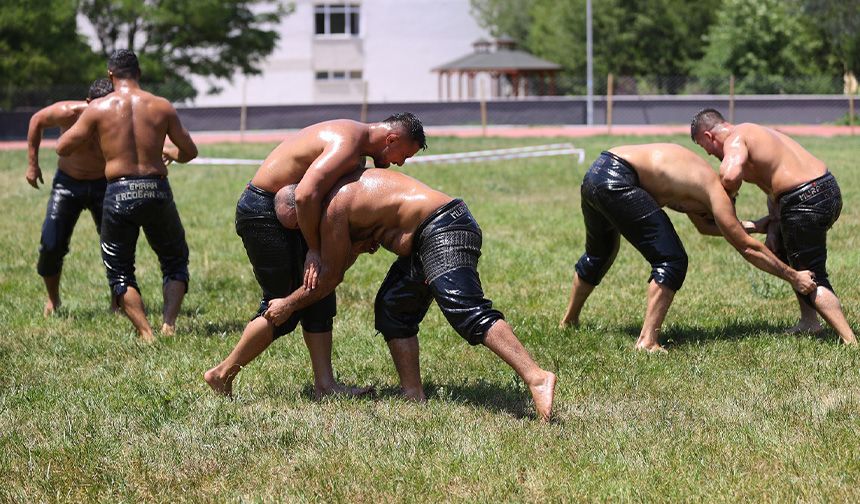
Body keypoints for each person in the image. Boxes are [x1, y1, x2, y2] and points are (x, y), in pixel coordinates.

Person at [251, 169, 557, 421]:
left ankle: (536, 377)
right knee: (393, 308)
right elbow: (342, 260)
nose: (304, 233)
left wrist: (289, 304)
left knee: (465, 309)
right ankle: (413, 394)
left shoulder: (333, 206)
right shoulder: (336, 197)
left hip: (443, 227)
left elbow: (331, 277)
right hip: (428, 235)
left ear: (306, 204)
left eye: (300, 226)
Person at [204, 114, 426, 400]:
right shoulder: (347, 143)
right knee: (281, 305)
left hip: (291, 216)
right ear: (392, 139)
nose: (400, 163)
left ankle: (325, 385)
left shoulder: (357, 150)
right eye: (403, 155)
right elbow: (305, 196)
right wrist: (314, 249)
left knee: (318, 294)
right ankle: (221, 374)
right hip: (263, 212)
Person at [559, 143, 816, 352]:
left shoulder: (695, 182)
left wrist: (755, 225)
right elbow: (747, 248)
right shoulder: (718, 192)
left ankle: (568, 321)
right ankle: (647, 341)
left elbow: (706, 227)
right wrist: (794, 276)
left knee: (599, 252)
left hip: (597, 172)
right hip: (621, 179)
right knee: (671, 259)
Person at [56, 49, 198, 342]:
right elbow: (190, 152)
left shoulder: (98, 108)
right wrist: (169, 152)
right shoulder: (161, 106)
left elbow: (63, 146)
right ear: (139, 74)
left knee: (120, 269)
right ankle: (169, 324)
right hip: (157, 189)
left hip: (119, 191)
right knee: (174, 260)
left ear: (111, 75)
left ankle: (145, 333)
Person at [691, 109, 855, 345]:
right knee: (791, 258)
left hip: (804, 201)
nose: (708, 152)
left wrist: (727, 193)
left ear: (709, 136)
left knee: (809, 275)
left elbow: (729, 176)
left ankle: (850, 341)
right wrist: (774, 225)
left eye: (703, 146)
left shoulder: (735, 139)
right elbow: (773, 186)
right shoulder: (757, 131)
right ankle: (810, 322)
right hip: (826, 189)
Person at [27, 78, 114, 316]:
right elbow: (37, 120)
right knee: (51, 243)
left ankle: (118, 302)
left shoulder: (118, 116)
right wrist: (32, 165)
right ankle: (53, 300)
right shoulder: (69, 113)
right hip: (68, 183)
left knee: (115, 244)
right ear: (88, 103)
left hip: (103, 183)